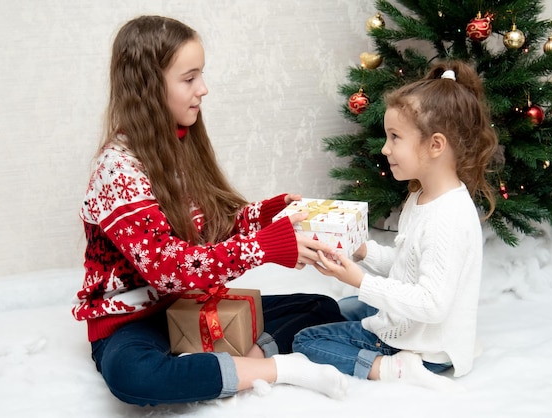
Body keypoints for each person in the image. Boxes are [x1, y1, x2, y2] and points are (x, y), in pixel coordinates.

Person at [71, 15, 348, 406]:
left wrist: (268, 215)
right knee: (135, 377)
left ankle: (238, 364)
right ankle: (278, 369)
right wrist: (265, 247)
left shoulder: (178, 145)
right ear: (148, 86)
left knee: (320, 307)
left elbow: (211, 229)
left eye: (200, 75)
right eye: (189, 79)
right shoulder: (117, 169)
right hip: (133, 323)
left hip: (187, 305)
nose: (203, 89)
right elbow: (169, 269)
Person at [293, 60, 499, 392]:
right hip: (415, 324)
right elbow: (408, 267)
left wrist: (360, 281)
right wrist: (362, 252)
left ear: (435, 145)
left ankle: (392, 368)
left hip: (426, 345)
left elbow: (432, 304)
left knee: (308, 340)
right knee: (337, 308)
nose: (385, 148)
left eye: (395, 137)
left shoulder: (447, 217)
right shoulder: (422, 197)